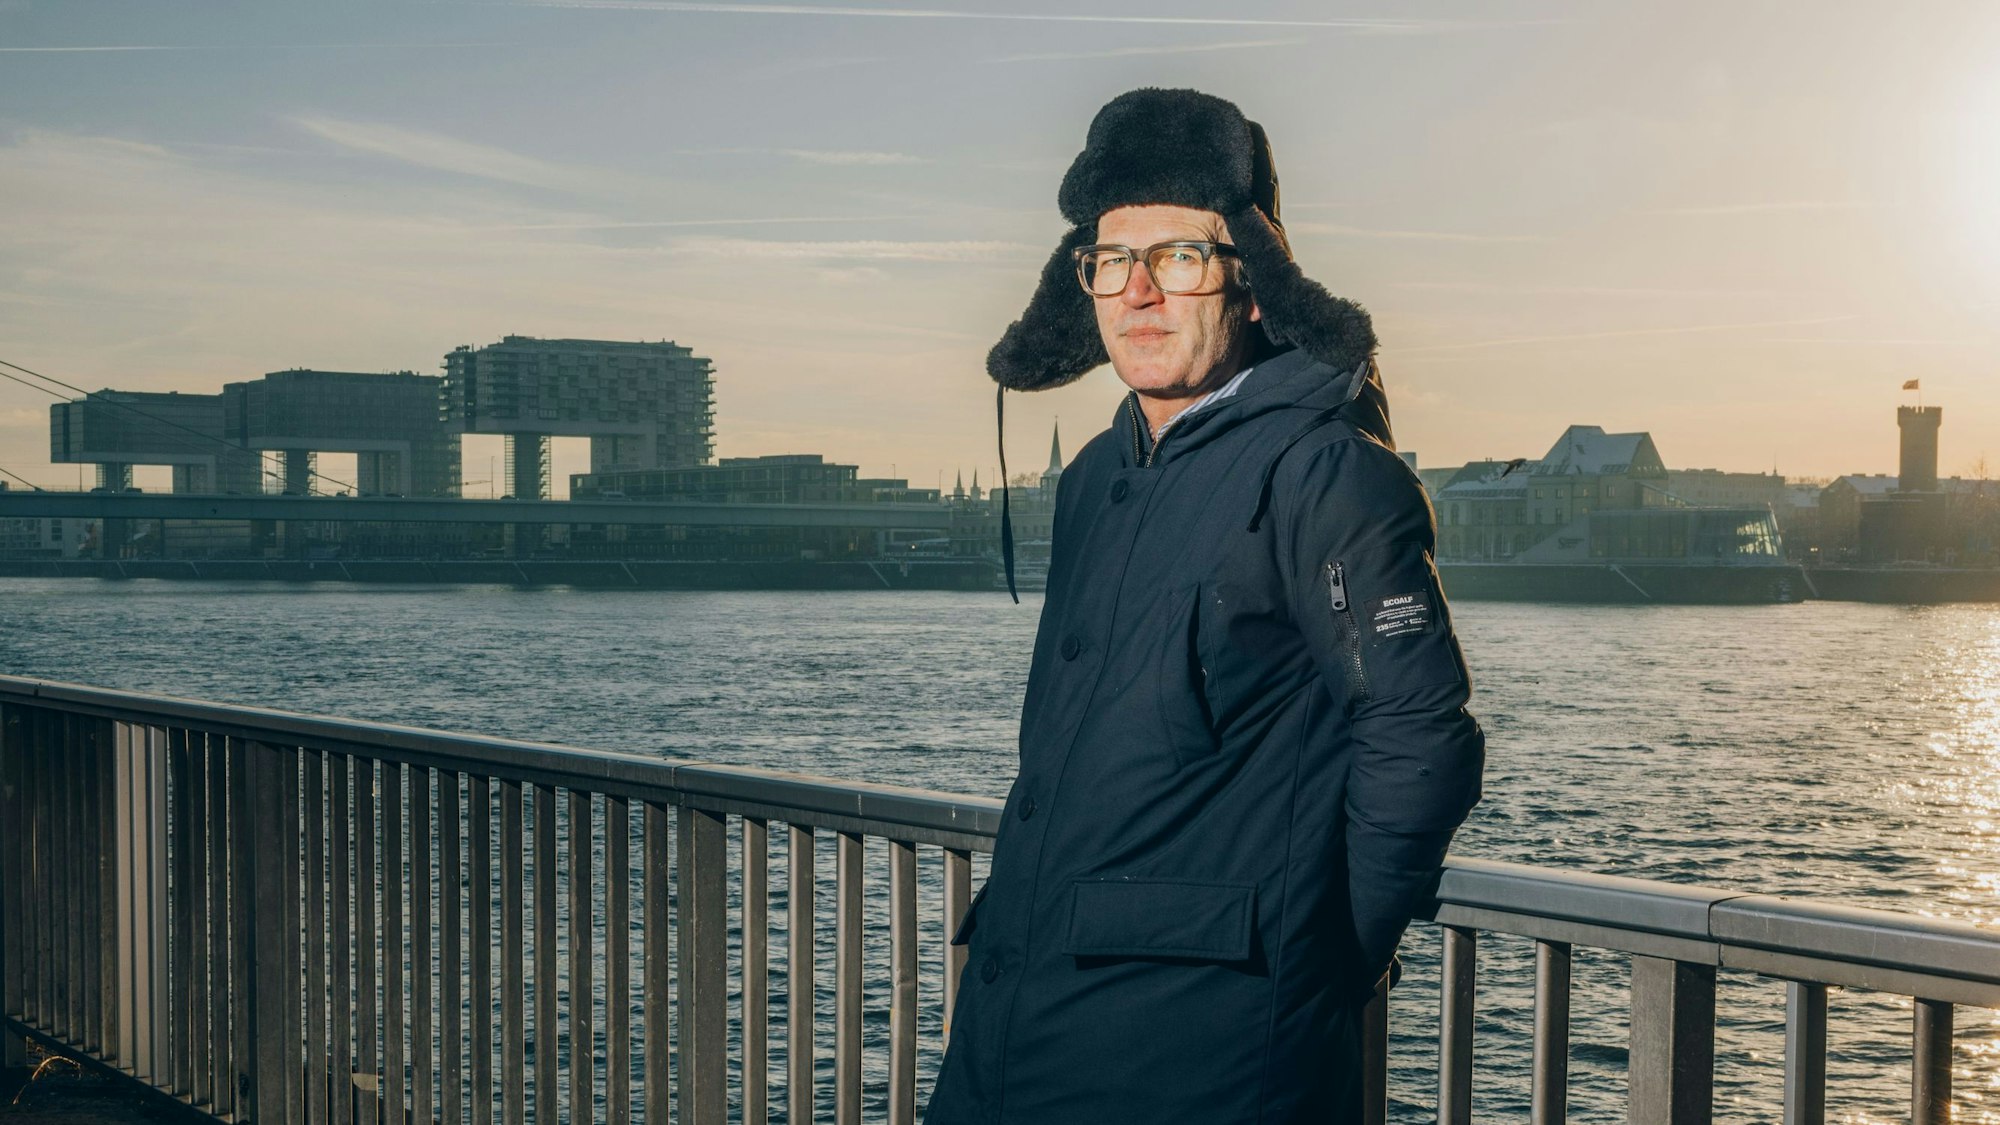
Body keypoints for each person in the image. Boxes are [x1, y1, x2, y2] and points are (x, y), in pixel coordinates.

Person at [924, 88, 1486, 1124]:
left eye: (1178, 256)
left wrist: (1317, 963)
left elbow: (1419, 739)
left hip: (1202, 1063)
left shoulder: (1327, 474)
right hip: (1023, 1036)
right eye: (1110, 260)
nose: (1138, 292)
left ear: (1254, 280)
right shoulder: (1096, 474)